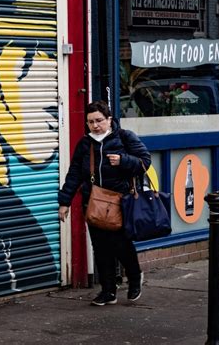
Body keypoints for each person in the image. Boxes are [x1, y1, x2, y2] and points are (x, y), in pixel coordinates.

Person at [58, 100, 151, 306]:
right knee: (100, 248)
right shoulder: (85, 144)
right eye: (90, 122)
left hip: (120, 201)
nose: (95, 125)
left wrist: (123, 160)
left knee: (121, 245)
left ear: (109, 119)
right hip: (94, 203)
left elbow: (145, 161)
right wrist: (64, 202)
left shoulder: (125, 137)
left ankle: (135, 278)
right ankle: (108, 291)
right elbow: (74, 174)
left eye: (99, 120)